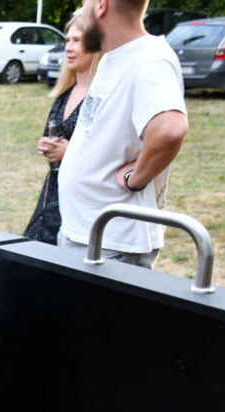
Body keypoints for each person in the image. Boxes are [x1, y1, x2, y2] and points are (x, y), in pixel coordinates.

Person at [57, 0, 188, 268]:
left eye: (85, 3)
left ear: (101, 6)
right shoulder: (115, 56)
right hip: (87, 236)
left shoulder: (150, 59)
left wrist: (135, 178)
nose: (82, 12)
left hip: (113, 246)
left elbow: (170, 128)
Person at [24, 14, 101, 244]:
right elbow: (53, 134)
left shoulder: (101, 96)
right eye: (67, 40)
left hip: (81, 207)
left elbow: (108, 152)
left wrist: (70, 153)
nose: (69, 47)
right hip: (51, 198)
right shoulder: (65, 93)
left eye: (77, 40)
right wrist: (46, 145)